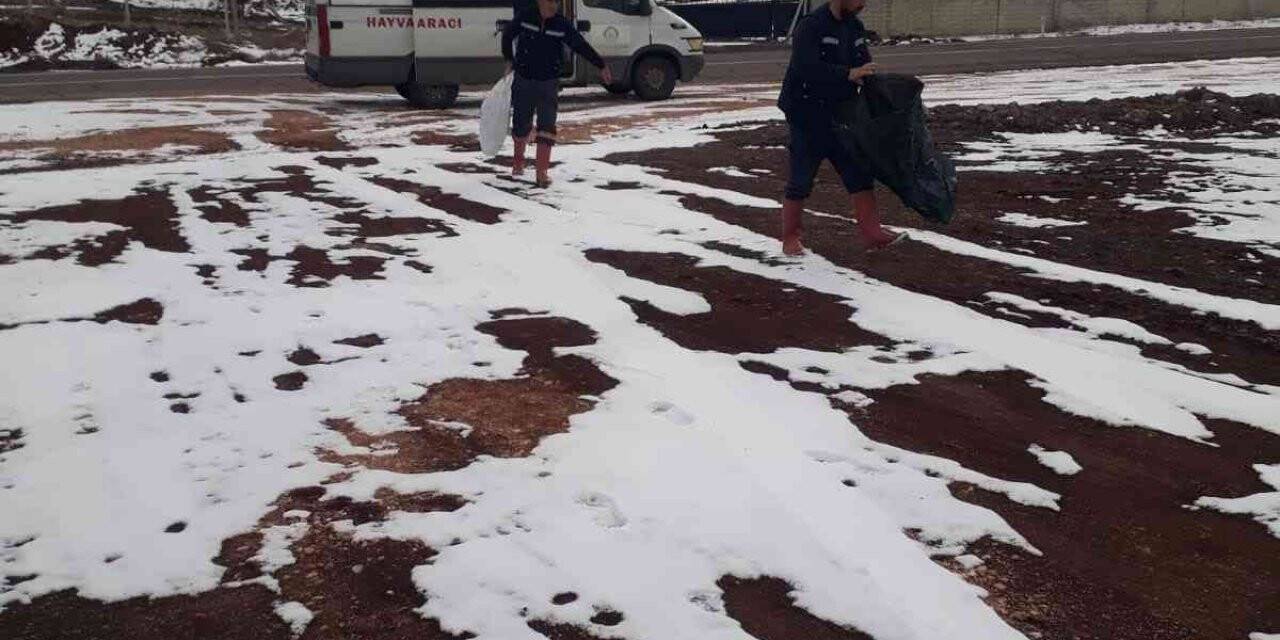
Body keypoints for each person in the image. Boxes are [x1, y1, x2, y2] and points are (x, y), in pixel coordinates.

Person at [777, 0, 903, 255]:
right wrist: (848, 73)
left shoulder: (854, 27)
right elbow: (805, 67)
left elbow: (862, 63)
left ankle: (872, 233)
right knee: (801, 179)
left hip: (841, 114)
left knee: (858, 172)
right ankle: (790, 238)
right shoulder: (811, 26)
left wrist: (872, 81)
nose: (863, 4)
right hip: (807, 115)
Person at [502, 0, 613, 187]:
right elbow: (507, 35)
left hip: (548, 81)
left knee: (547, 125)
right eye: (551, 2)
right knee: (521, 123)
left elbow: (580, 45)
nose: (555, 6)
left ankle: (541, 172)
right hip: (524, 79)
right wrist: (509, 60)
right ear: (540, 2)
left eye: (557, 3)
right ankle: (518, 162)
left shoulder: (561, 24)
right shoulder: (526, 16)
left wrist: (600, 65)